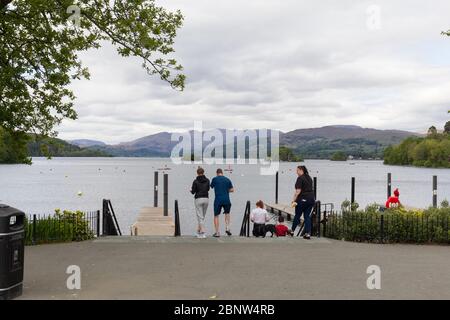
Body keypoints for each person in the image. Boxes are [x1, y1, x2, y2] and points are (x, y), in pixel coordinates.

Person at [291, 165, 315, 239]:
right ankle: (308, 233)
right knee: (307, 216)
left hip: (302, 199)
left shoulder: (300, 178)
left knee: (297, 215)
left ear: (301, 170)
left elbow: (298, 191)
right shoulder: (309, 178)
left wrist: (293, 200)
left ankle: (292, 231)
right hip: (311, 199)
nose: (296, 172)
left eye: (297, 170)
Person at [210, 168, 234, 237]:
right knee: (227, 213)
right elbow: (232, 190)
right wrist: (226, 190)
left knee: (216, 215)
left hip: (218, 200)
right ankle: (227, 228)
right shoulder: (227, 179)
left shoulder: (215, 179)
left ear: (217, 173)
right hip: (227, 200)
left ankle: (217, 232)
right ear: (222, 173)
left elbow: (211, 186)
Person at [190, 167, 210, 238]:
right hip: (206, 199)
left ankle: (203, 232)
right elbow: (208, 189)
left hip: (198, 199)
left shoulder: (195, 181)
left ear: (197, 173)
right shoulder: (207, 180)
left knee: (200, 216)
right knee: (202, 216)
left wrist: (190, 190)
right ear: (203, 172)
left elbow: (193, 192)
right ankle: (198, 231)